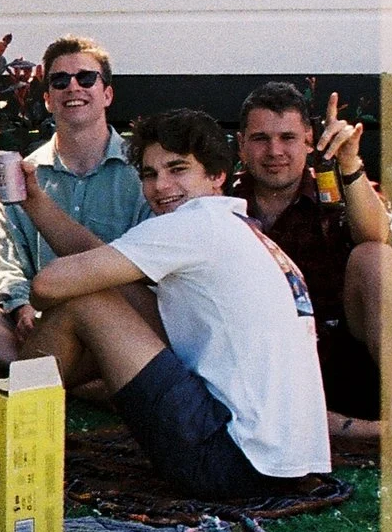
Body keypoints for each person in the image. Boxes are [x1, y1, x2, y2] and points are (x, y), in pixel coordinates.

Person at [17, 109, 330, 501]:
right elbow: (98, 258)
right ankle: (9, 409)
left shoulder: (189, 225)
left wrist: (49, 302)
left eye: (177, 169)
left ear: (217, 176)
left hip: (230, 463)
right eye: (149, 174)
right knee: (111, 289)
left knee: (86, 302)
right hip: (283, 467)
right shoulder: (239, 230)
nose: (161, 186)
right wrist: (34, 202)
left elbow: (48, 285)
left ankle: (2, 438)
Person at [232, 83, 392, 473]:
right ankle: (377, 431)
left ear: (309, 141)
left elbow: (377, 235)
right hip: (266, 372)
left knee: (377, 258)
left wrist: (351, 163)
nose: (274, 152)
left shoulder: (339, 186)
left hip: (343, 356)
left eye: (287, 137)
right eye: (260, 139)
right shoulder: (223, 200)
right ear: (241, 145)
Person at [0, 35, 151, 381]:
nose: (73, 87)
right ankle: (71, 380)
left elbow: (146, 277)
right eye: (59, 81)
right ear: (48, 99)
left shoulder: (143, 173)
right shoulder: (21, 176)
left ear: (107, 93)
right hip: (38, 328)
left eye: (86, 78)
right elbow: (4, 265)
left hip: (115, 326)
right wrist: (21, 307)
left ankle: (21, 375)